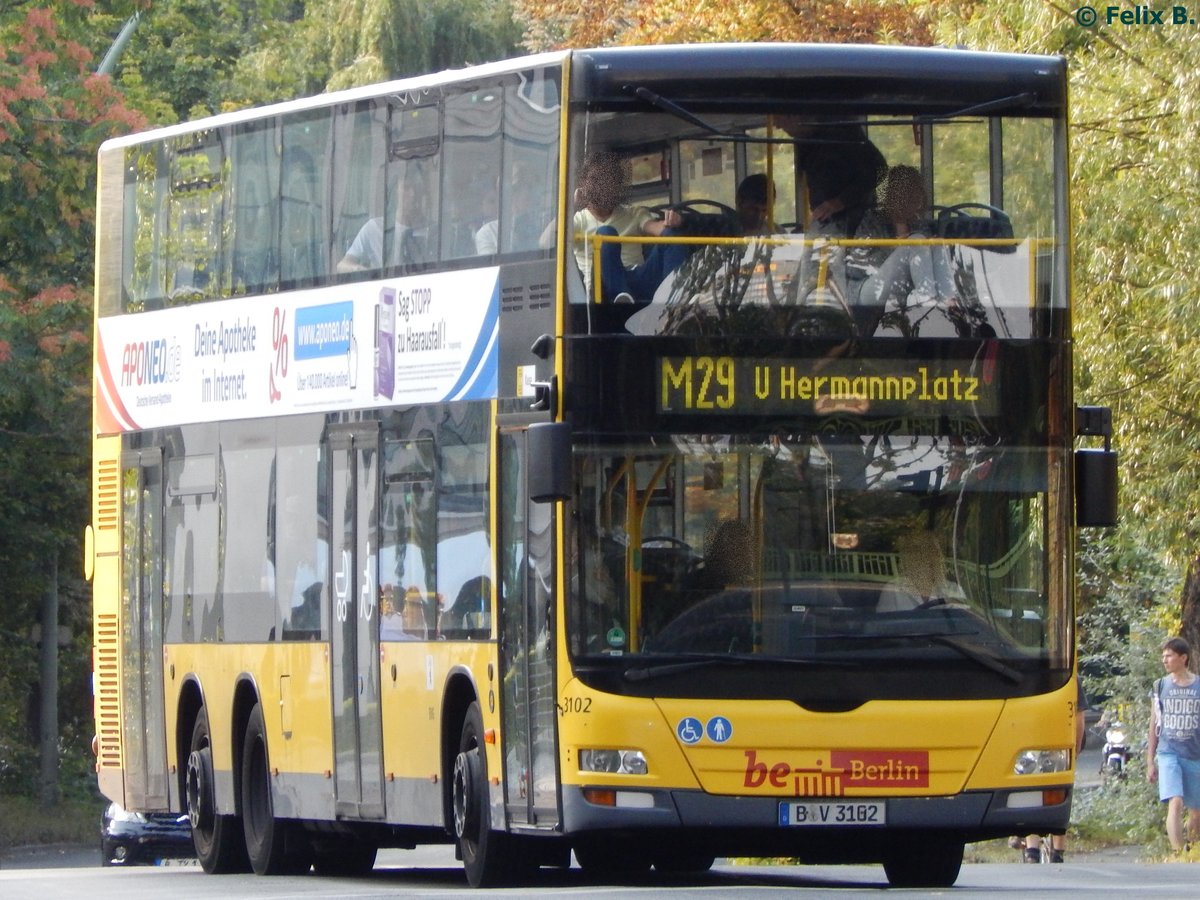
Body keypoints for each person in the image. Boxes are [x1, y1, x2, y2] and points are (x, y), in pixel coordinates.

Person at [565, 151, 682, 300]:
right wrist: (571, 205)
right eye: (595, 181)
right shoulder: (577, 220)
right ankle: (621, 296)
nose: (600, 188)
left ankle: (676, 298)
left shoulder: (634, 213)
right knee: (606, 233)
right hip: (602, 288)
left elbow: (657, 228)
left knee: (672, 236)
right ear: (584, 185)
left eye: (607, 181)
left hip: (637, 277)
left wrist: (672, 223)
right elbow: (545, 241)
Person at [780, 116, 886, 236]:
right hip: (827, 226)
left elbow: (878, 169)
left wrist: (839, 202)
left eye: (780, 118)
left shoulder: (841, 130)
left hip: (859, 226)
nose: (777, 125)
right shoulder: (803, 141)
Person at [1147, 636, 1200, 854]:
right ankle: (1178, 852)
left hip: (1194, 754)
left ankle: (1193, 848)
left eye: (1169, 655)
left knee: (1196, 812)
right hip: (1168, 753)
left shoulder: (1198, 686)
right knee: (1175, 801)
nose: (1164, 660)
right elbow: (1153, 725)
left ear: (1183, 657)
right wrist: (1150, 761)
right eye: (1163, 656)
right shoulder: (1160, 686)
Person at [338, 174, 431, 273]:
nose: (413, 194)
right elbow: (342, 265)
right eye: (406, 187)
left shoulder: (432, 232)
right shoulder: (374, 228)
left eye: (417, 188)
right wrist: (364, 272)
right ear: (395, 193)